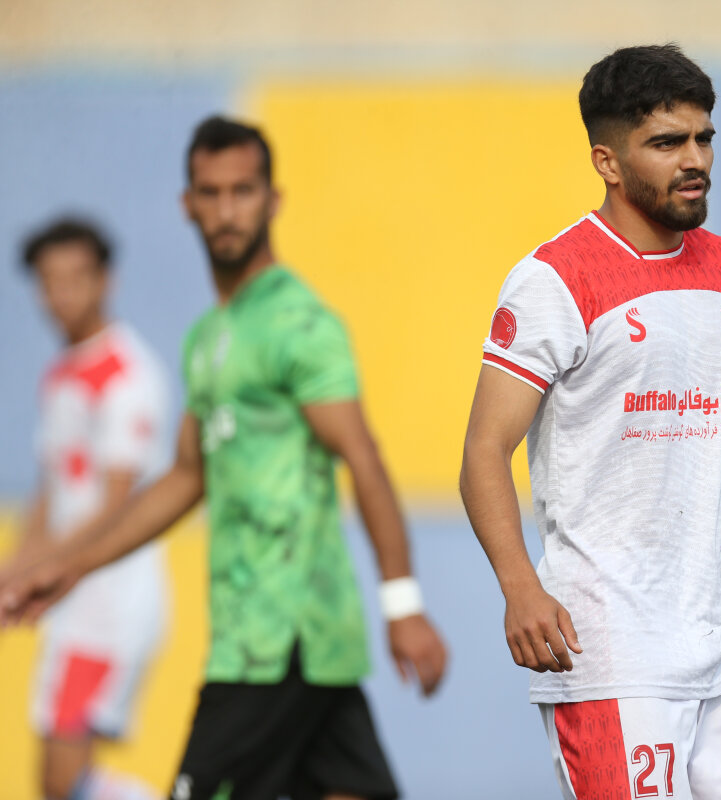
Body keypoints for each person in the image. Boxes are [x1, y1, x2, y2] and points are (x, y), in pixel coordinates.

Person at [2, 116, 448, 800]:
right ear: (188, 204)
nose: (227, 210)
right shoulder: (208, 337)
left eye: (243, 191)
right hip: (288, 649)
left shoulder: (299, 323)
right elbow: (186, 477)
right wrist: (69, 567)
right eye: (210, 193)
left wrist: (403, 603)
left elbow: (363, 458)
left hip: (278, 640)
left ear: (273, 200)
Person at [459, 44, 721, 800]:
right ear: (607, 161)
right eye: (667, 143)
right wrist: (520, 586)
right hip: (609, 655)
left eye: (703, 138)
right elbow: (484, 449)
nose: (694, 159)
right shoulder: (555, 279)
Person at [3, 218, 167, 800]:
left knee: (63, 779)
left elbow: (115, 506)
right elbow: (50, 497)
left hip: (109, 600)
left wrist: (40, 569)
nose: (63, 294)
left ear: (106, 281)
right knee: (58, 783)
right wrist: (14, 571)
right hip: (70, 598)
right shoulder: (61, 376)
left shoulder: (127, 373)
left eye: (76, 278)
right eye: (50, 281)